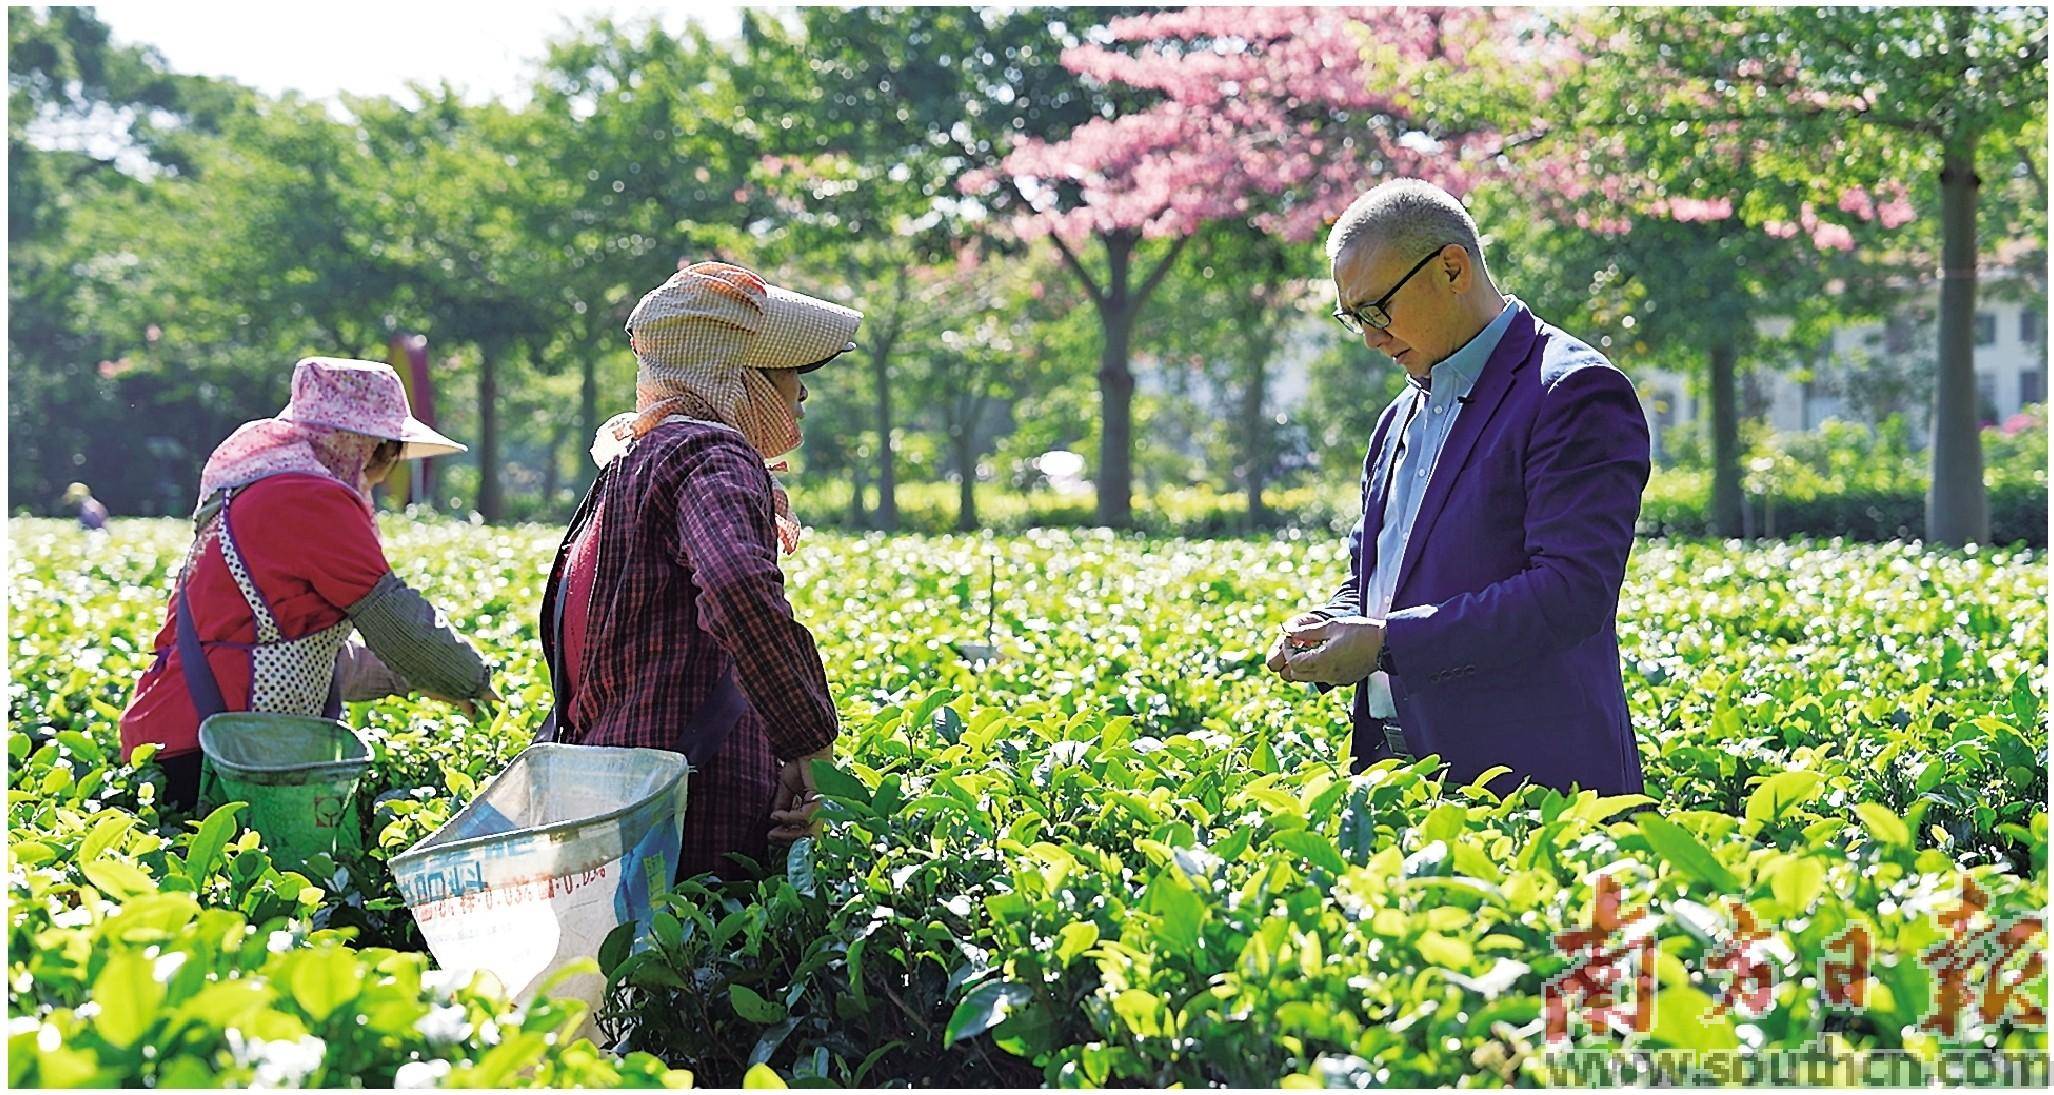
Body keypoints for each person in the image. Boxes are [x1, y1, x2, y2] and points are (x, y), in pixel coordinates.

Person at [1266, 179, 1652, 796]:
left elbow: (1570, 592)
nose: (1369, 336)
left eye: (1377, 309)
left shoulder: (1572, 393)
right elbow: (1374, 578)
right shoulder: (1398, 417)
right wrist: (1329, 623)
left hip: (1538, 791)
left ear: (1451, 269)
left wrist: (1387, 643)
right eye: (1352, 318)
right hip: (1396, 778)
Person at [539, 261, 860, 880]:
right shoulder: (710, 452)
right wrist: (807, 737)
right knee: (702, 968)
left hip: (623, 788)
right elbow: (738, 587)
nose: (803, 392)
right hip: (693, 797)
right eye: (792, 370)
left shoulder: (635, 459)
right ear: (744, 378)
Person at [120, 357, 502, 809]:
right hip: (206, 746)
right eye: (390, 450)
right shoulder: (308, 498)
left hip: (174, 732)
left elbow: (303, 657)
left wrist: (413, 678)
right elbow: (394, 617)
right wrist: (471, 679)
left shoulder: (261, 487)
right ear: (366, 444)